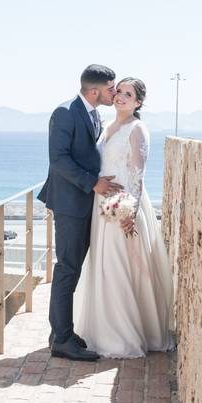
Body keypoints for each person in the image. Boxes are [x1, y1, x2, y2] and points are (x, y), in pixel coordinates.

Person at [73, 77, 174, 358]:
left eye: (128, 94)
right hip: (101, 204)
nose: (121, 97)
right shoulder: (107, 127)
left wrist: (128, 209)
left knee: (120, 266)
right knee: (104, 265)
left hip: (123, 204)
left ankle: (123, 335)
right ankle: (103, 330)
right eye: (119, 92)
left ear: (138, 102)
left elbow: (137, 174)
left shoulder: (137, 128)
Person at [38, 64, 122, 361]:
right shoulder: (65, 112)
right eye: (111, 89)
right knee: (67, 269)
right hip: (71, 204)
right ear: (94, 90)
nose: (115, 93)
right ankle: (62, 340)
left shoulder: (94, 113)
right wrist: (93, 184)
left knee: (73, 270)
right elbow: (58, 159)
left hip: (87, 202)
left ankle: (61, 331)